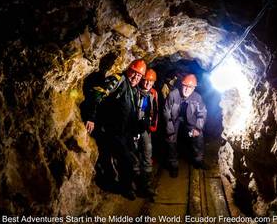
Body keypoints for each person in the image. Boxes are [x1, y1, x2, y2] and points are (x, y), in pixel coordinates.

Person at [85, 59, 147, 200]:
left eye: (139, 76)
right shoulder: (118, 79)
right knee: (127, 161)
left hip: (124, 132)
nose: (136, 77)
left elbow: (130, 113)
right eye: (134, 73)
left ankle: (133, 186)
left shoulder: (134, 89)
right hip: (111, 131)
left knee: (135, 159)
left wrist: (137, 127)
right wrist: (91, 117)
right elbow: (98, 93)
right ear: (129, 69)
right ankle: (125, 188)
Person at [163, 74, 208, 178]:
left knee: (199, 135)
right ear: (181, 85)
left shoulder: (197, 97)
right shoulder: (173, 95)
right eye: (185, 86)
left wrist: (197, 128)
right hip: (174, 120)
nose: (187, 89)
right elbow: (166, 112)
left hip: (190, 121)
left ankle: (198, 160)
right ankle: (173, 164)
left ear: (194, 88)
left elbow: (202, 113)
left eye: (190, 87)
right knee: (171, 138)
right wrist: (170, 129)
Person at [135, 69, 159, 198]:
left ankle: (146, 185)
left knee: (147, 151)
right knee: (134, 153)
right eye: (146, 80)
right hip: (133, 126)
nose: (148, 83)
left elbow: (156, 110)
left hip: (145, 127)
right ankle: (136, 182)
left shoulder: (153, 93)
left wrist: (153, 126)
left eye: (151, 81)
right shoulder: (135, 90)